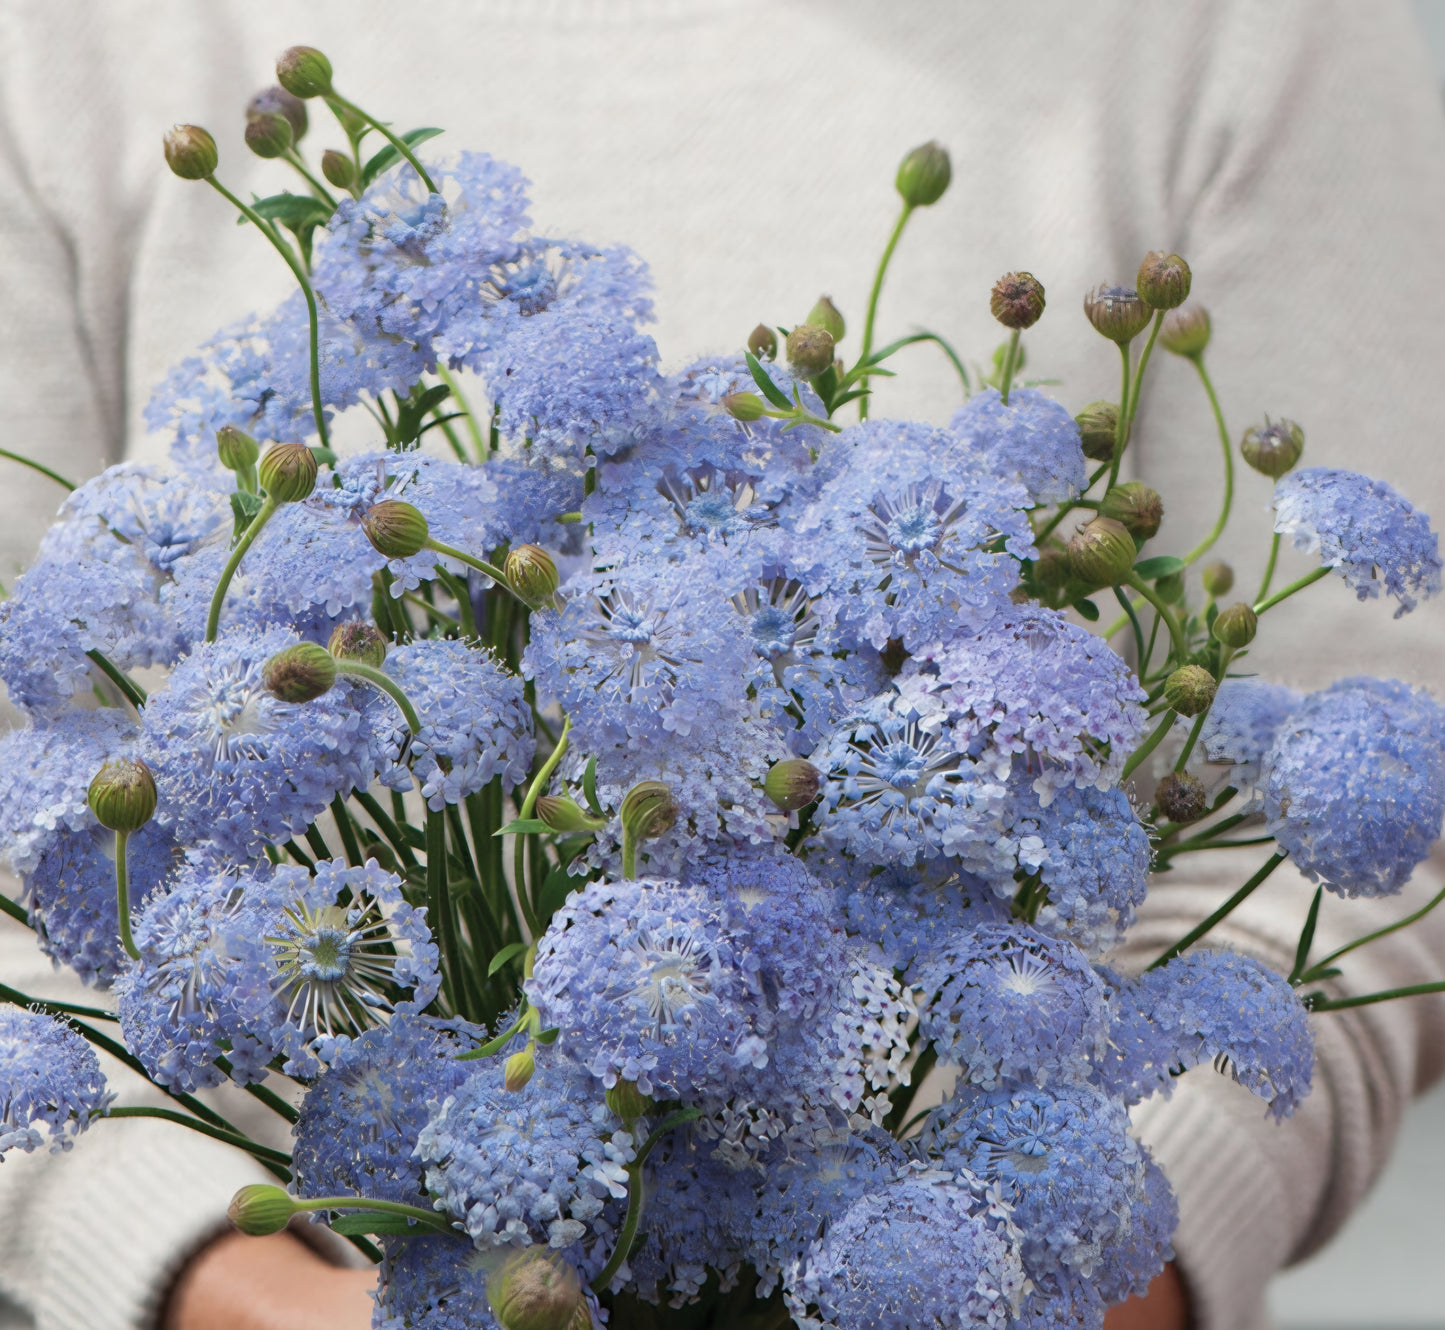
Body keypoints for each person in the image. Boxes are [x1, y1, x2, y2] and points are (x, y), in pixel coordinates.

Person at [0, 2, 1443, 1327]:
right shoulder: (81, 41)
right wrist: (198, 1270)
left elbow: (1367, 789)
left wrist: (1066, 1254)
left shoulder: (1256, 32)